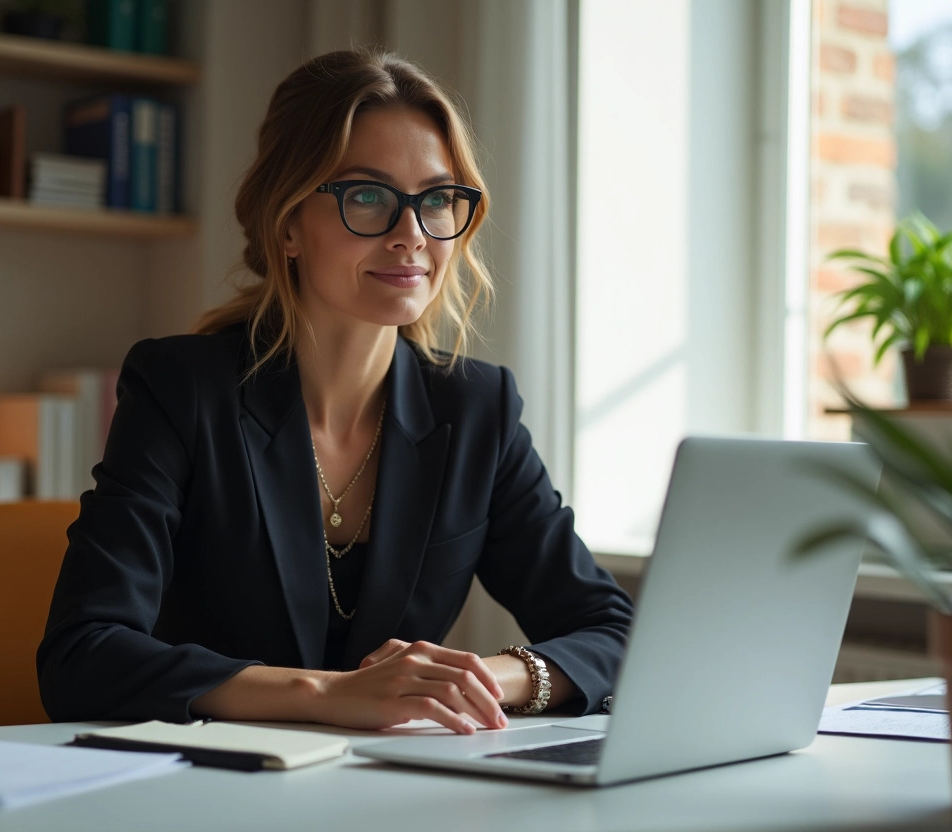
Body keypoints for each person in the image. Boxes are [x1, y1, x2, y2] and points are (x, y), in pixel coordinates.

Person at [37, 48, 634, 735]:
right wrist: (325, 694)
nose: (412, 235)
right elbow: (82, 656)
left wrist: (480, 678)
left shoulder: (476, 409)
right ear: (287, 222)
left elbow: (610, 634)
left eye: (438, 199)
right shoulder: (182, 391)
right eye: (368, 197)